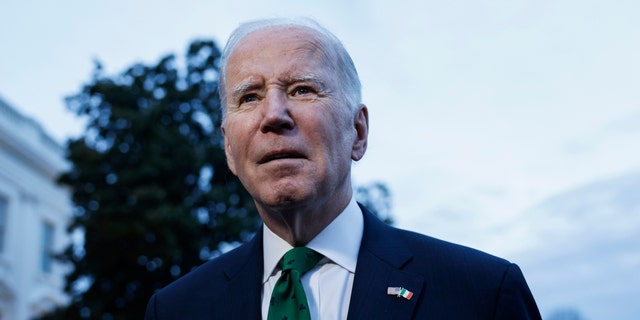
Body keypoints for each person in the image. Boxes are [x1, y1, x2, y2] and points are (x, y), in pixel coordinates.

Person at [145, 17, 542, 319]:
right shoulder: (176, 309)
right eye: (249, 97)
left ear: (358, 131)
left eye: (302, 89)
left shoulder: (482, 294)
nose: (274, 115)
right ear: (229, 148)